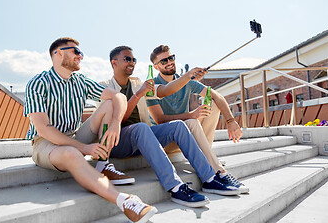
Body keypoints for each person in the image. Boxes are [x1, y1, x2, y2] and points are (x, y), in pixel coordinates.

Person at [23, 37, 157, 223]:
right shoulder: (38, 83)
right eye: (76, 52)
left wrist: (116, 123)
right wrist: (83, 148)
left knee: (110, 104)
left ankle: (103, 163)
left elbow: (118, 97)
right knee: (71, 153)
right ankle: (125, 201)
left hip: (75, 134)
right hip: (45, 143)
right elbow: (44, 129)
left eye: (81, 53)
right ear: (58, 53)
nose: (81, 56)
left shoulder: (80, 81)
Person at [100, 46, 241, 208]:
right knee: (141, 127)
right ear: (114, 63)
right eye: (127, 59)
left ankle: (209, 178)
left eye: (134, 59)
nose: (131, 62)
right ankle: (175, 187)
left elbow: (165, 90)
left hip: (143, 137)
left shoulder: (139, 83)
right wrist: (139, 94)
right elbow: (117, 120)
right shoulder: (105, 87)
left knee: (178, 126)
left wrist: (188, 78)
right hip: (117, 141)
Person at [147, 45, 249, 194]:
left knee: (212, 103)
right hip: (167, 141)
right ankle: (220, 172)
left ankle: (208, 159)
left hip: (188, 135)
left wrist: (230, 121)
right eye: (164, 61)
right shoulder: (152, 86)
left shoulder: (187, 82)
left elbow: (217, 96)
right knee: (191, 121)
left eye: (171, 58)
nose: (169, 62)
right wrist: (190, 115)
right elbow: (160, 120)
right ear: (156, 67)